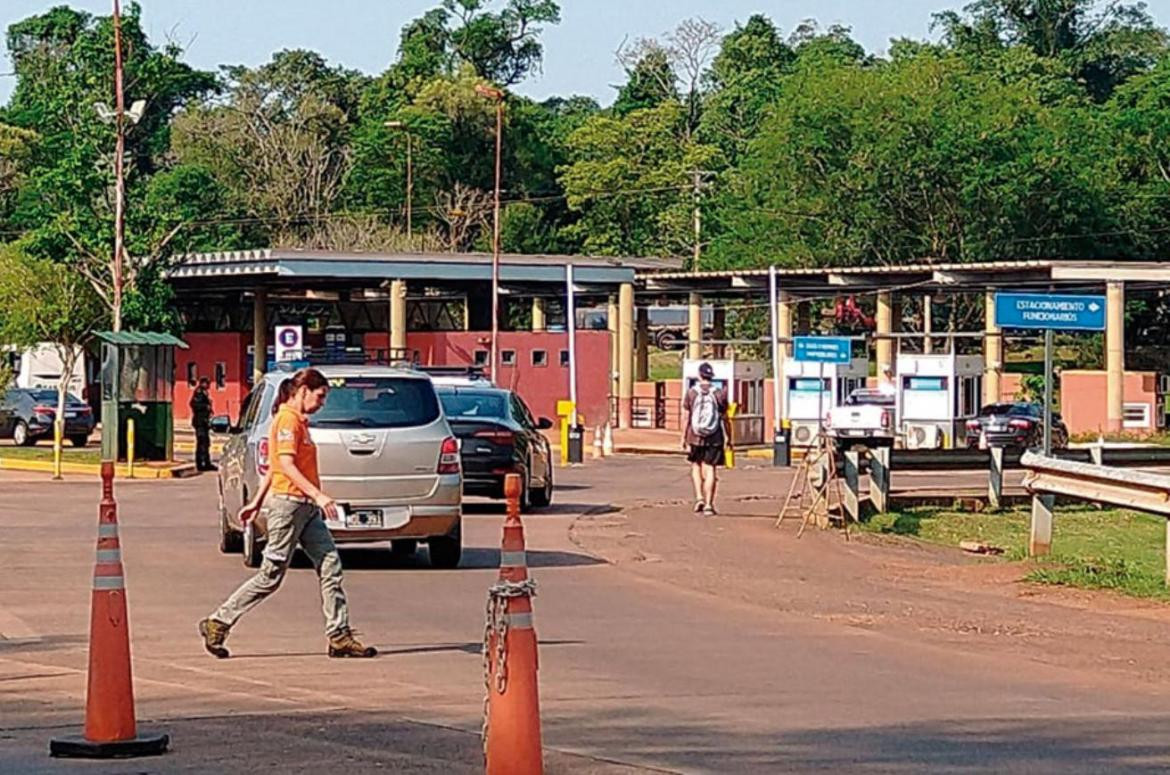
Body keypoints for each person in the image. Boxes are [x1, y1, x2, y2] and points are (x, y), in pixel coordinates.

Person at [199, 368, 376, 659]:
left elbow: (273, 468)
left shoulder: (299, 423)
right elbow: (287, 466)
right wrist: (317, 495)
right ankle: (218, 622)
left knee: (330, 564)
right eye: (320, 396)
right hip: (290, 506)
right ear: (303, 390)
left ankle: (339, 635)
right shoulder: (286, 421)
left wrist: (255, 502)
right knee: (271, 575)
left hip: (305, 509)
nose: (321, 404)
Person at [681, 362, 730, 516]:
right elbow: (725, 417)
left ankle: (699, 498)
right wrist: (729, 437)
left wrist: (683, 437)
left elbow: (686, 417)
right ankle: (709, 504)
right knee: (710, 469)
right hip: (714, 437)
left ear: (699, 375)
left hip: (694, 436)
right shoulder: (719, 394)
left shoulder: (691, 393)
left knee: (696, 466)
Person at [190, 377, 215, 472]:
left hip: (204, 421)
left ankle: (207, 462)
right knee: (201, 442)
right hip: (200, 422)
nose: (208, 386)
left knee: (206, 443)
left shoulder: (204, 392)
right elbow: (194, 404)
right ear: (203, 383)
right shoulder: (199, 393)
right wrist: (206, 407)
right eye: (207, 383)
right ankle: (200, 464)